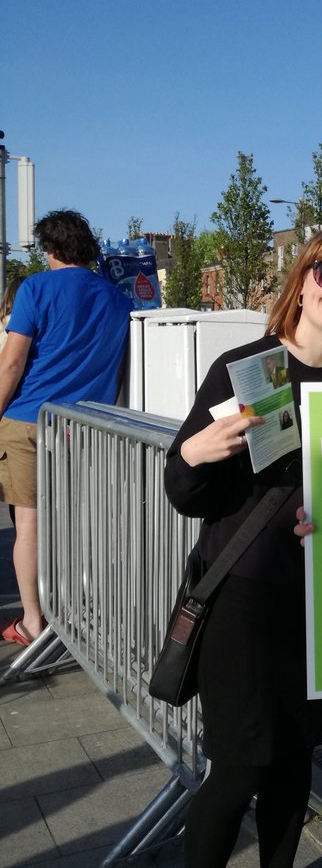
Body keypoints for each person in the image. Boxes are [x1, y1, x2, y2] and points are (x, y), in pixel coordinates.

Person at [164, 224, 322, 868]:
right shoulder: (245, 369)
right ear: (303, 277)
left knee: (297, 755)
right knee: (239, 765)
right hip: (245, 600)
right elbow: (188, 493)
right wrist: (195, 452)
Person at [0, 211, 132, 646]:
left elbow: (12, 363)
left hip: (29, 420)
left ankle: (33, 622)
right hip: (84, 427)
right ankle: (74, 607)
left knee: (29, 526)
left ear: (48, 248)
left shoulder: (36, 288)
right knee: (75, 523)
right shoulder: (118, 300)